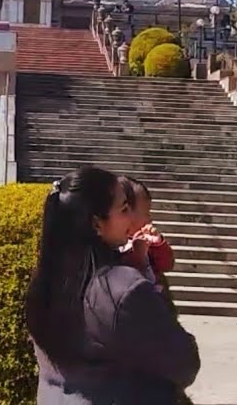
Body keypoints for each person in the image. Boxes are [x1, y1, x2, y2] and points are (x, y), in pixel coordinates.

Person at [25, 165, 200, 404]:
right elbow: (184, 363)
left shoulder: (45, 282)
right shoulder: (123, 289)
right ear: (97, 224)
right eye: (124, 209)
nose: (131, 217)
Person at [119, 177, 176, 296]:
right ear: (125, 212)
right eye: (146, 213)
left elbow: (167, 264)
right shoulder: (114, 246)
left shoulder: (148, 242)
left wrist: (159, 244)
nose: (150, 218)